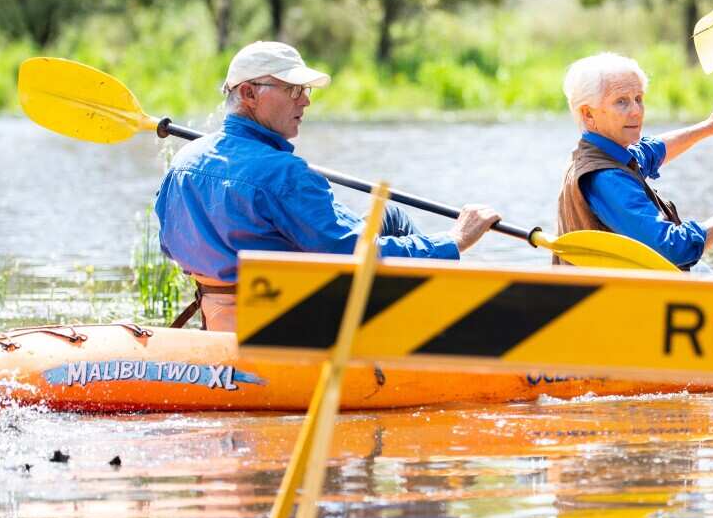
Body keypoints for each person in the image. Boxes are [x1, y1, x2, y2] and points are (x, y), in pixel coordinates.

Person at [155, 41, 500, 331]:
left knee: (388, 216)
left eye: (304, 91)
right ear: (248, 93)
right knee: (390, 224)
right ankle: (444, 331)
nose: (305, 101)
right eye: (292, 90)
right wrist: (453, 241)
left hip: (219, 316)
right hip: (289, 325)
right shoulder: (286, 174)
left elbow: (171, 247)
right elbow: (361, 256)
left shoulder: (183, 162)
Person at [554, 52, 713, 270]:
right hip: (629, 299)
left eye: (638, 99)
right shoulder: (606, 177)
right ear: (588, 114)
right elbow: (672, 249)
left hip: (638, 290)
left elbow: (651, 150)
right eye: (621, 102)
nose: (636, 111)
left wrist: (711, 125)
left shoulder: (600, 152)